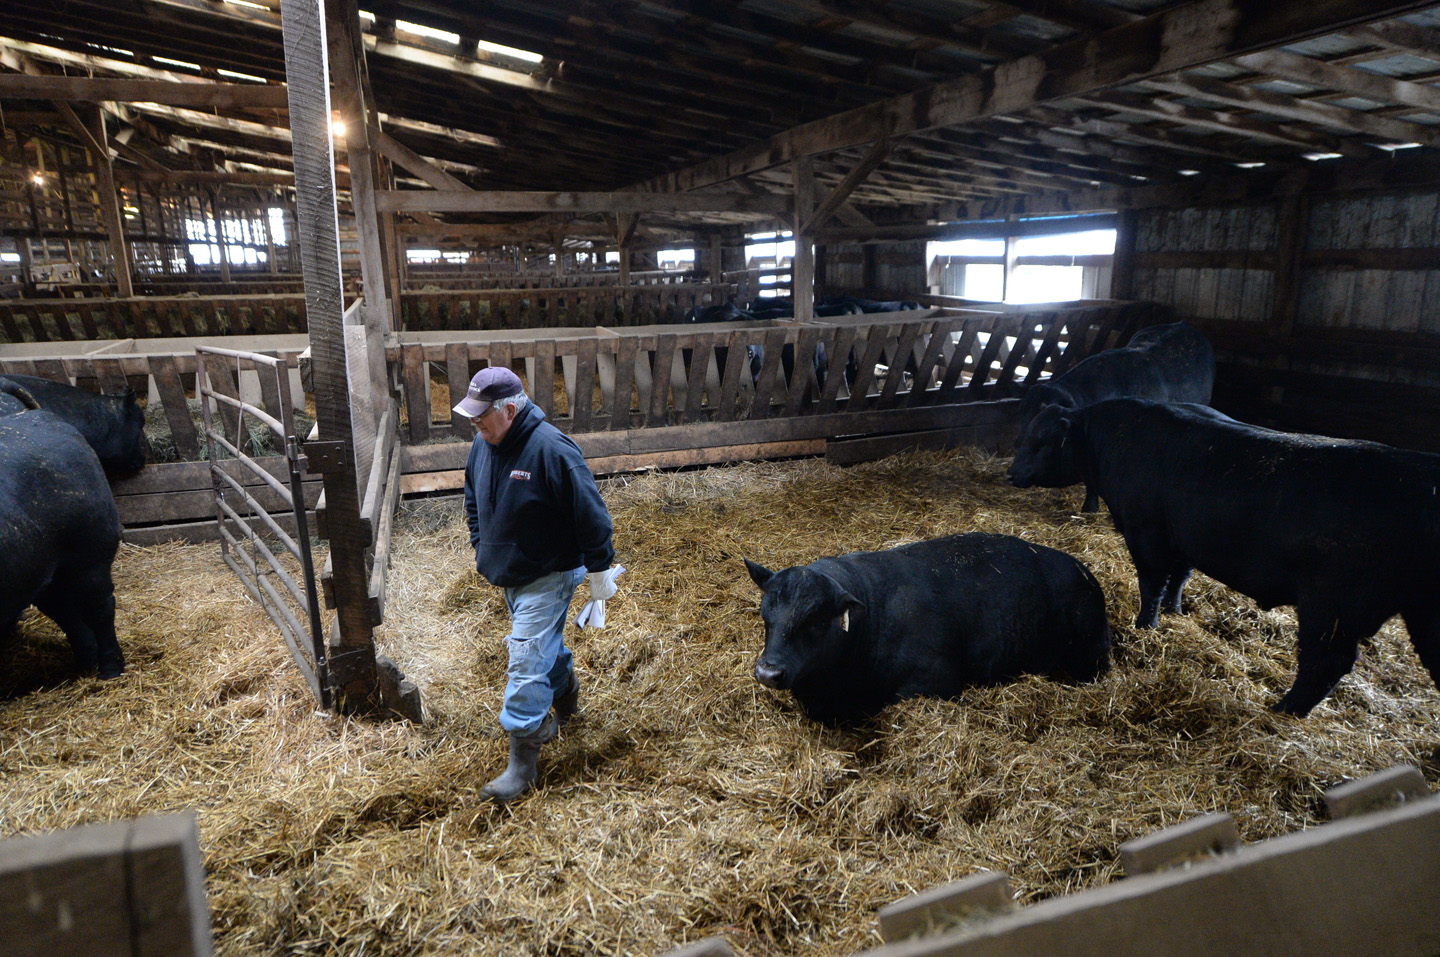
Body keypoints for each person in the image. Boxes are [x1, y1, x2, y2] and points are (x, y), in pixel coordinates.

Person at [456, 366, 622, 803]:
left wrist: (601, 568)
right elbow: (472, 494)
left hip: (549, 572)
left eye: (480, 416)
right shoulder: (484, 442)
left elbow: (592, 513)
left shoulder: (551, 449)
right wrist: (481, 543)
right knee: (542, 647)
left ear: (509, 410)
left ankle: (522, 765)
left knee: (526, 655)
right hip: (512, 572)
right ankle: (566, 695)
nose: (474, 424)